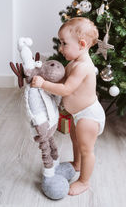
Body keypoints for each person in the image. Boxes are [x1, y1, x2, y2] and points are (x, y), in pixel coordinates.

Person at [31, 17, 106, 196]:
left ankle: (84, 181)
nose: (60, 48)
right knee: (75, 140)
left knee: (87, 149)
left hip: (89, 115)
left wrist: (42, 84)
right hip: (78, 114)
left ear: (81, 44)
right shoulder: (74, 63)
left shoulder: (83, 67)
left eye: (64, 43)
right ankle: (77, 164)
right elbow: (63, 80)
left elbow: (66, 89)